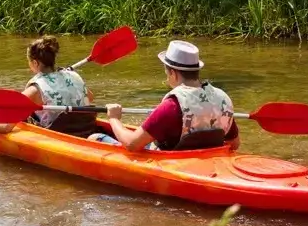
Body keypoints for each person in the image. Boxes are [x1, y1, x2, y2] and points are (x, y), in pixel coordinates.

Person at [88, 40, 239, 152]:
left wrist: (113, 118)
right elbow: (234, 143)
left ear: (173, 73)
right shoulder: (222, 98)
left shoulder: (172, 105)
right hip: (204, 162)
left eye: (167, 73)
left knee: (94, 137)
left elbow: (132, 144)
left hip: (172, 162)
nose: (167, 77)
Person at [0, 35, 96, 135]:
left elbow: (6, 127)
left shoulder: (35, 89)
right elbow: (89, 97)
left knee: (26, 116)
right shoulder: (73, 76)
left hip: (59, 134)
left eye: (29, 61)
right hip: (86, 128)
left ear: (35, 63)